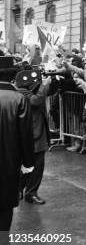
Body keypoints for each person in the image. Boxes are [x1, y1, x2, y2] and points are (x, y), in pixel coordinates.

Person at [0, 57, 34, 245]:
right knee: (5, 208)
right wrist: (28, 163)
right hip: (9, 163)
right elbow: (25, 136)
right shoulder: (18, 98)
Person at [16, 68, 52, 205]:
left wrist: (49, 83)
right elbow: (36, 101)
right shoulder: (22, 92)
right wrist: (44, 85)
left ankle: (22, 190)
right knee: (34, 165)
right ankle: (28, 192)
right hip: (32, 135)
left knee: (31, 165)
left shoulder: (26, 90)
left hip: (35, 134)